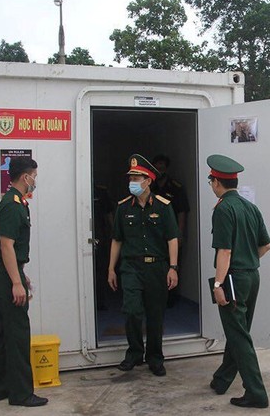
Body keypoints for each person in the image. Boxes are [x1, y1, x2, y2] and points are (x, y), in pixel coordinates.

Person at [207, 154, 270, 409]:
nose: (211, 185)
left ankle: (256, 392)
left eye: (211, 181)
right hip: (251, 276)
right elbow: (266, 246)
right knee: (238, 332)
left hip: (233, 279)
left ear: (216, 182)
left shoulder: (224, 208)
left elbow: (224, 252)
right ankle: (222, 379)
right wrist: (247, 261)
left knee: (239, 336)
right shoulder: (250, 207)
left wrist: (218, 285)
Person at [108, 154, 179, 376]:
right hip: (131, 267)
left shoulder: (164, 206)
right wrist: (111, 268)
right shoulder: (123, 208)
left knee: (155, 314)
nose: (132, 182)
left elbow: (172, 238)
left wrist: (173, 268)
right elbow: (117, 239)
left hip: (157, 268)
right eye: (131, 178)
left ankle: (155, 358)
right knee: (132, 310)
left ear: (148, 181)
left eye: (137, 178)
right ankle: (134, 353)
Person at [0, 157, 48, 407]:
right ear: (26, 177)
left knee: (4, 334)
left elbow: (10, 249)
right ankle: (21, 394)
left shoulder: (13, 201)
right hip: (5, 277)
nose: (35, 180)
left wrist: (21, 275)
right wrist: (16, 282)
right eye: (34, 175)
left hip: (4, 273)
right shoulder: (13, 205)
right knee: (18, 335)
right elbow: (6, 245)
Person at [151, 154, 190, 307]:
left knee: (172, 266)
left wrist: (179, 234)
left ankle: (170, 299)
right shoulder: (149, 186)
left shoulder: (175, 187)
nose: (160, 169)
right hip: (154, 235)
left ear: (166, 168)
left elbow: (182, 212)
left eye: (162, 166)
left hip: (171, 234)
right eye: (157, 166)